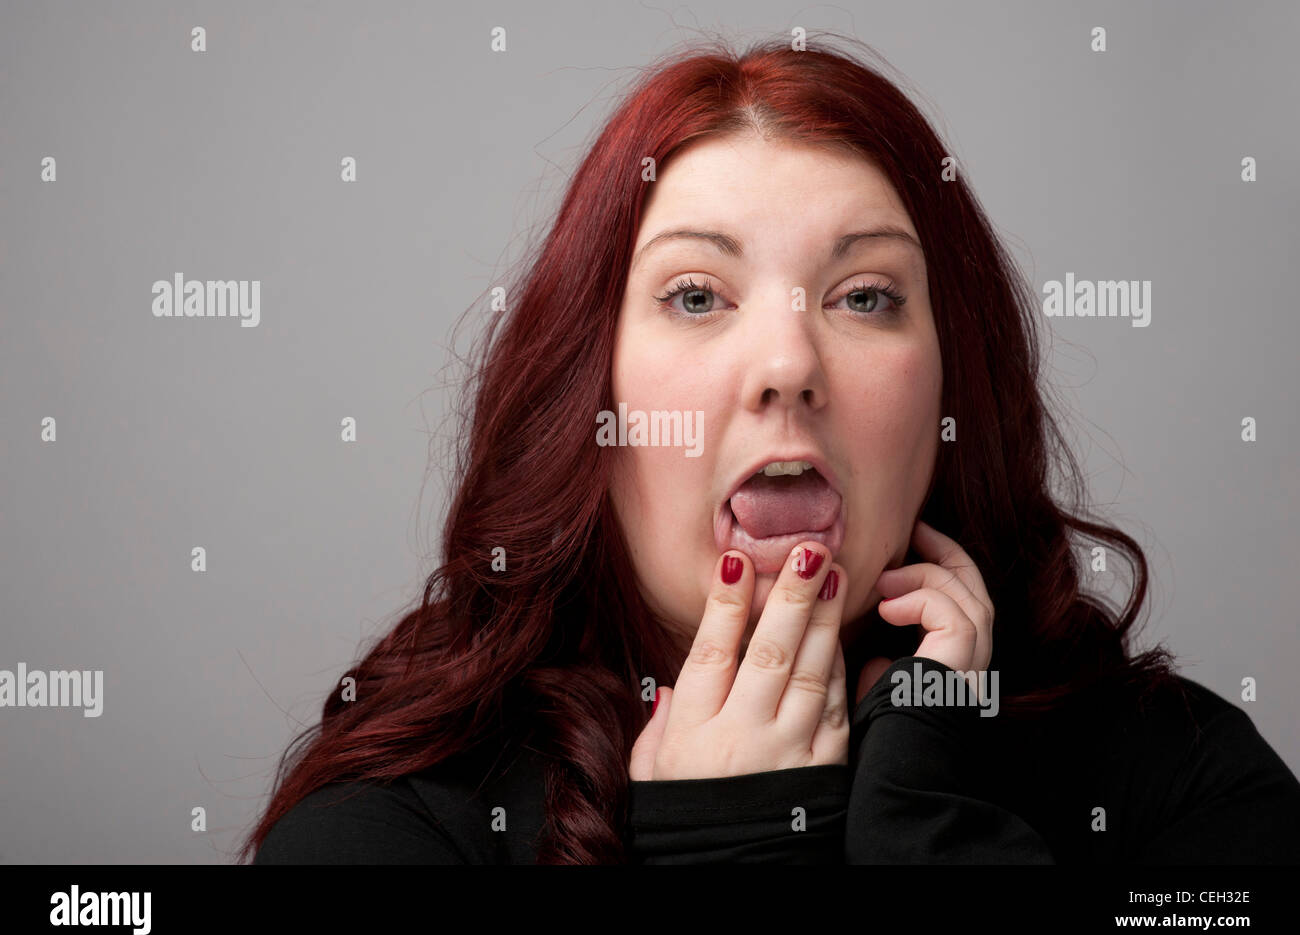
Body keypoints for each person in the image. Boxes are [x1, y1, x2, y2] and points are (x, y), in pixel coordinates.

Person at [242, 33, 1300, 864]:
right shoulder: (389, 835)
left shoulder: (1188, 788)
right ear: (587, 397)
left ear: (951, 381)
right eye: (696, 295)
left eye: (866, 296)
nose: (788, 362)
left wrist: (926, 827)